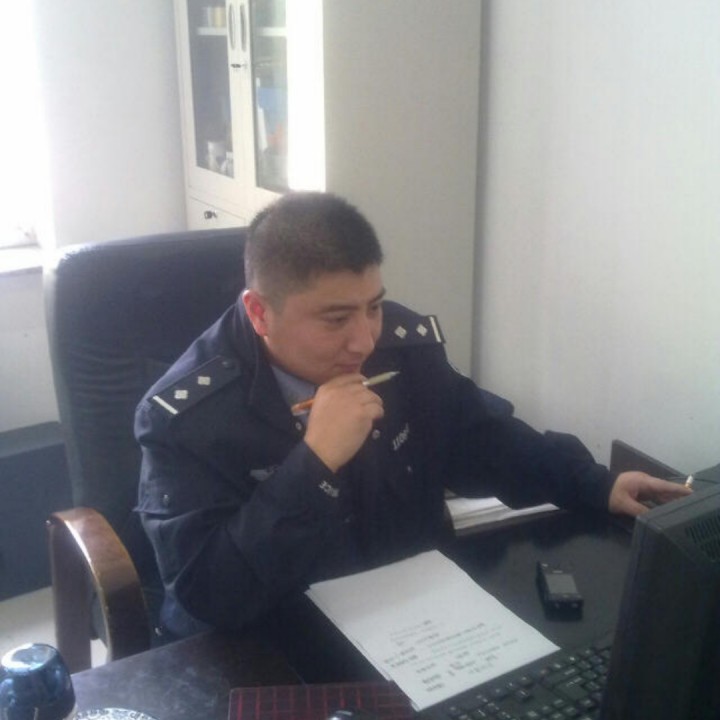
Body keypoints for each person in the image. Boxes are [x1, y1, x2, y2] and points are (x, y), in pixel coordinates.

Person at [135, 191, 689, 641]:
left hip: (411, 619)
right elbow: (210, 595)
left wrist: (595, 484)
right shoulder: (187, 418)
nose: (364, 340)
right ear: (260, 312)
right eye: (335, 319)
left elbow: (483, 439)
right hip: (270, 639)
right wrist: (314, 464)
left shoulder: (402, 349)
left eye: (373, 306)